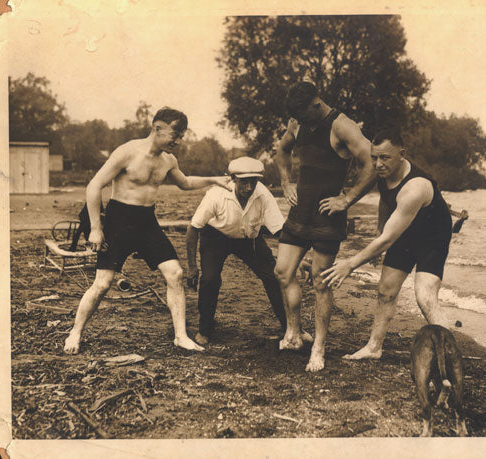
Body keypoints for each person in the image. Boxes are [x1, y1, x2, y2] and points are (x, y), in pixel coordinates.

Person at [63, 107, 231, 354]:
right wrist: (96, 229)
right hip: (118, 220)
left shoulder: (168, 160)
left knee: (175, 274)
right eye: (176, 133)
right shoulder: (128, 152)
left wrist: (214, 179)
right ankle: (75, 332)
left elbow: (184, 183)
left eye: (182, 135)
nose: (178, 140)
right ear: (157, 127)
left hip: (146, 222)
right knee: (103, 283)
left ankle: (181, 336)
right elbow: (94, 186)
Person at [321, 126, 453, 360]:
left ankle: (450, 354)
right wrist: (380, 229)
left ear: (403, 153)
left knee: (424, 296)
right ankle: (374, 348)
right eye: (374, 157)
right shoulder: (382, 173)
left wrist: (349, 264)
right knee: (385, 291)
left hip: (433, 237)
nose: (378, 164)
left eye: (385, 158)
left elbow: (388, 239)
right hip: (405, 233)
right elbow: (386, 202)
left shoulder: (415, 187)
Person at [273, 81, 376, 372]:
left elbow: (372, 163)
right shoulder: (297, 122)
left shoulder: (342, 126)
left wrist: (348, 199)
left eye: (305, 116)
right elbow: (281, 151)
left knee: (320, 282)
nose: (301, 123)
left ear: (316, 105)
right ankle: (293, 333)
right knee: (282, 272)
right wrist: (285, 181)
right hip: (299, 211)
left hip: (326, 216)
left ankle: (318, 347)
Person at [185, 156, 287, 345]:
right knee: (210, 279)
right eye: (244, 182)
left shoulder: (263, 194)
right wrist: (191, 266)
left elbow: (280, 230)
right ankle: (205, 328)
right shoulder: (216, 195)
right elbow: (194, 228)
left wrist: (295, 258)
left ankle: (290, 328)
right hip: (215, 236)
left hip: (249, 239)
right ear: (233, 179)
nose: (249, 188)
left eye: (253, 182)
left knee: (275, 276)